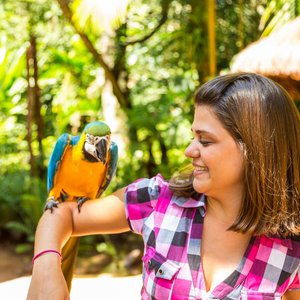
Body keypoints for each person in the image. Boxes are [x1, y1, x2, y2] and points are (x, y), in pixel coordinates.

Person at [27, 72, 300, 300]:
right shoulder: (158, 200)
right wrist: (46, 268)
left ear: (254, 150)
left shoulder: (292, 252)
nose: (189, 151)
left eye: (205, 141)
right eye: (193, 136)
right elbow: (63, 213)